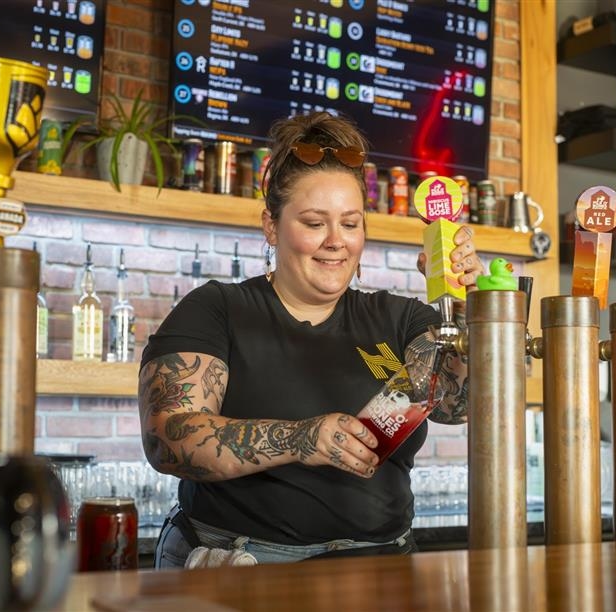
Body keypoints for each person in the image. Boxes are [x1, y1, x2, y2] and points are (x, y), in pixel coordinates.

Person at [139, 111, 485, 566]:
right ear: (271, 225)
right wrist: (301, 438)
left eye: (350, 223)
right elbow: (168, 438)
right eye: (314, 222)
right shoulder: (217, 309)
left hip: (382, 567)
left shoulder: (399, 319)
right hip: (243, 565)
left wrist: (472, 305)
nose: (336, 241)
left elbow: (457, 406)